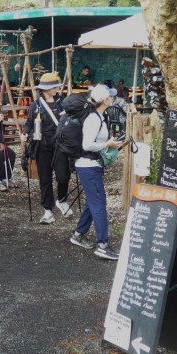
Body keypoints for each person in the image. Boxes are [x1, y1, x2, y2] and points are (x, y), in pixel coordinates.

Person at [69, 84, 124, 260]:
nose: (113, 98)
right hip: (88, 165)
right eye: (111, 96)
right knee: (99, 203)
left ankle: (78, 234)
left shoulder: (98, 116)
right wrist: (107, 144)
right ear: (105, 100)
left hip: (90, 165)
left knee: (93, 201)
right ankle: (102, 245)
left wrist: (108, 143)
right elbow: (87, 145)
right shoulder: (94, 118)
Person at [24, 72, 70, 223]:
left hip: (60, 144)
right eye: (54, 86)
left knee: (63, 176)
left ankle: (62, 200)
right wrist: (25, 134)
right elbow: (29, 124)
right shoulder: (35, 105)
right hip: (43, 145)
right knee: (45, 178)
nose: (57, 89)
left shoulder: (62, 102)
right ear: (46, 89)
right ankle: (48, 210)